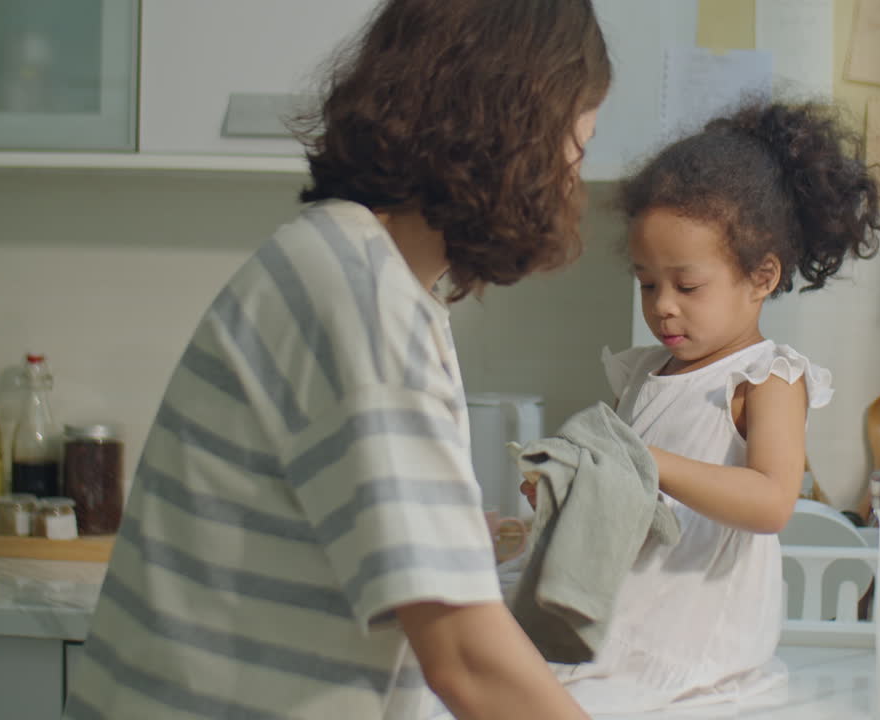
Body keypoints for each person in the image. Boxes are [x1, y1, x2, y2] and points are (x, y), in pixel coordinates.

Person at [63, 1, 610, 718]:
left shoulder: (356, 269)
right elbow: (468, 660)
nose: (574, 178)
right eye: (578, 142)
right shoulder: (364, 296)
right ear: (512, 127)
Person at [523, 101, 880, 713]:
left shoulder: (766, 378)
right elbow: (626, 495)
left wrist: (643, 460)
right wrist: (570, 489)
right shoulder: (641, 371)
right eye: (646, 283)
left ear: (762, 277)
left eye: (687, 286)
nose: (663, 305)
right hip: (623, 626)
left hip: (697, 652)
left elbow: (772, 501)